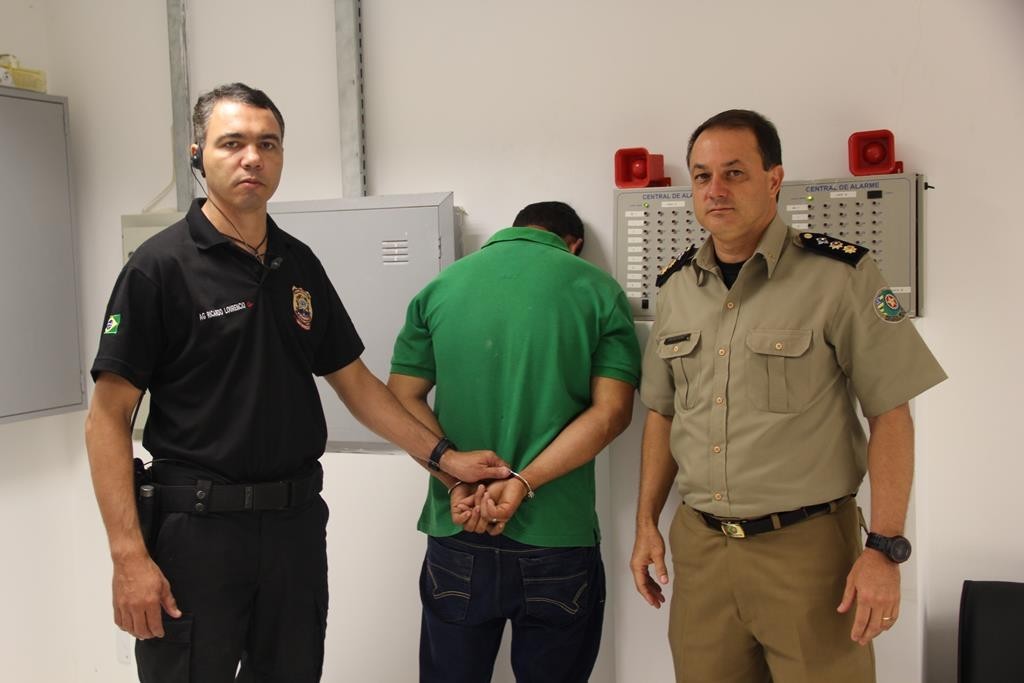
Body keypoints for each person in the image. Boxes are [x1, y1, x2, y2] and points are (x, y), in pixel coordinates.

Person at [84, 82, 509, 683]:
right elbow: (106, 418)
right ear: (197, 155)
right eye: (232, 143)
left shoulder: (297, 262)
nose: (252, 158)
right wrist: (128, 557)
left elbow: (356, 384)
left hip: (294, 529)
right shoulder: (159, 267)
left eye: (268, 144)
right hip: (197, 533)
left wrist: (445, 462)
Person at [629, 109, 946, 683]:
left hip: (809, 555)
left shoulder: (839, 276)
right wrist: (646, 522)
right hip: (701, 552)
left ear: (774, 179)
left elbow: (891, 413)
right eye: (702, 176)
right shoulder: (675, 288)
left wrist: (885, 548)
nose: (715, 190)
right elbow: (662, 412)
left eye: (734, 173)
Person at [387, 201, 642, 683]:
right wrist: (523, 482)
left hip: (458, 526)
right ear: (574, 245)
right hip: (556, 537)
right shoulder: (598, 290)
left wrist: (455, 477)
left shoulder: (440, 288)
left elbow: (401, 399)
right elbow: (612, 413)